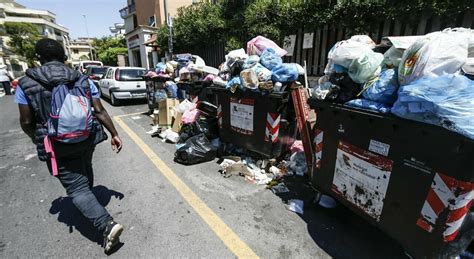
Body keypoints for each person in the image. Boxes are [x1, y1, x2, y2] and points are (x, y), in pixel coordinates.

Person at [15, 38, 124, 254]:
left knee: (75, 187)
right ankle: (88, 196)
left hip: (57, 142)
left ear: (39, 58)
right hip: (86, 136)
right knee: (84, 164)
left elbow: (27, 121)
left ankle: (107, 225)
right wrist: (114, 133)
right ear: (64, 57)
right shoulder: (82, 79)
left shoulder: (26, 84)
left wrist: (36, 138)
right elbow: (99, 110)